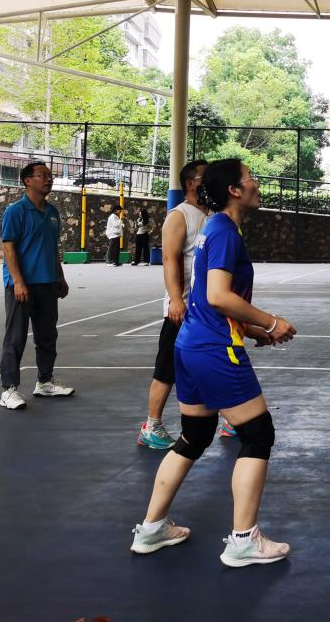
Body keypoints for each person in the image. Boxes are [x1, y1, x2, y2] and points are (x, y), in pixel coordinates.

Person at [130, 158, 297, 565]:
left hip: (191, 344)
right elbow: (218, 296)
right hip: (213, 349)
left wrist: (252, 330)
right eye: (250, 178)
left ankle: (151, 529)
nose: (256, 183)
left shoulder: (215, 228)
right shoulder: (222, 231)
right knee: (258, 434)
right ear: (234, 191)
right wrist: (270, 321)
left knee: (195, 435)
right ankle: (243, 540)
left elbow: (209, 300)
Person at [138, 160, 211, 450]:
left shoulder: (212, 214)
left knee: (216, 360)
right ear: (191, 184)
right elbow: (169, 259)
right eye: (205, 177)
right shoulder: (179, 216)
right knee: (167, 368)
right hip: (183, 308)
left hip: (208, 307)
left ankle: (232, 415)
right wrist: (176, 299)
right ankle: (151, 426)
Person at [0, 161, 72, 410]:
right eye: (43, 175)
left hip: (47, 283)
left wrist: (60, 277)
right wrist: (18, 281)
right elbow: (8, 248)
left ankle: (45, 382)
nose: (49, 179)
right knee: (15, 337)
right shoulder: (15, 211)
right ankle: (8, 390)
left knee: (47, 336)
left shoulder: (52, 213)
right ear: (27, 181)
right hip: (22, 285)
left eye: (50, 176)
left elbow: (52, 248)